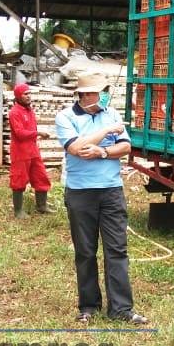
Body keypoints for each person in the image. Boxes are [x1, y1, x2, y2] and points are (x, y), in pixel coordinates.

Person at [55, 73, 147, 325]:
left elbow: (125, 147)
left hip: (111, 191)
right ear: (83, 95)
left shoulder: (113, 113)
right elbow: (77, 149)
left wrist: (104, 151)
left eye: (102, 92)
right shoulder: (66, 117)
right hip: (80, 192)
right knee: (85, 251)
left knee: (116, 249)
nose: (101, 97)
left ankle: (121, 308)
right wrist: (105, 132)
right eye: (96, 93)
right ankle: (88, 305)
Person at [9, 82, 53, 218]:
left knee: (41, 176)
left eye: (29, 93)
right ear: (18, 96)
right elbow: (20, 133)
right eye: (25, 94)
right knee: (19, 179)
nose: (29, 96)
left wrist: (36, 136)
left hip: (33, 150)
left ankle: (41, 206)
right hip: (20, 151)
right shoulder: (14, 112)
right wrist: (38, 133)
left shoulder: (29, 110)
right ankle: (18, 211)